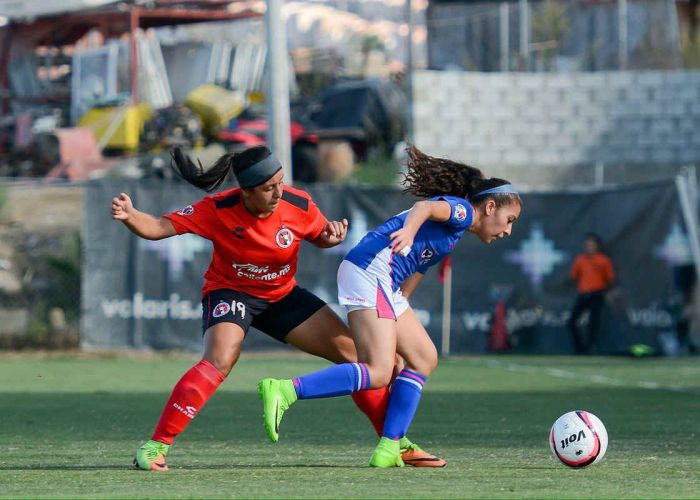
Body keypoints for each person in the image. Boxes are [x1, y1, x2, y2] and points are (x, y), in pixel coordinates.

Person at [112, 146, 441, 471]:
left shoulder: (297, 203)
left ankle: (395, 442)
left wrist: (332, 235)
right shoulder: (218, 209)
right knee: (220, 359)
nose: (278, 193)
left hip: (282, 295)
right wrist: (131, 217)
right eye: (269, 188)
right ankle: (155, 446)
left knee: (357, 358)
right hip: (232, 292)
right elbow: (157, 227)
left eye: (281, 183)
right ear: (246, 192)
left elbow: (322, 236)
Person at [257, 145, 522, 467]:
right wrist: (408, 231)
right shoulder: (463, 211)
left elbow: (417, 269)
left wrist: (398, 313)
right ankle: (286, 390)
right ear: (490, 206)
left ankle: (389, 445)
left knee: (423, 357)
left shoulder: (455, 232)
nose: (508, 230)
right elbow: (424, 208)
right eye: (509, 219)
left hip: (384, 283)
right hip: (370, 272)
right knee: (379, 370)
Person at [567, 233, 615, 354]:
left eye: (592, 244)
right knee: (571, 321)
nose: (589, 247)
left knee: (593, 323)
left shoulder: (603, 260)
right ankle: (579, 348)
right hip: (583, 294)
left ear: (597, 246)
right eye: (587, 245)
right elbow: (573, 276)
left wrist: (605, 291)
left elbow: (610, 278)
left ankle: (590, 348)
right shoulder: (580, 260)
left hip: (597, 294)